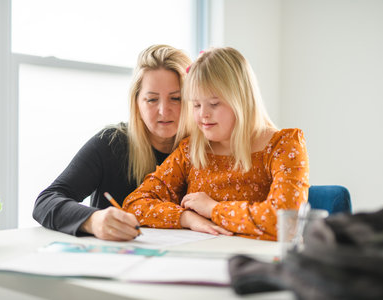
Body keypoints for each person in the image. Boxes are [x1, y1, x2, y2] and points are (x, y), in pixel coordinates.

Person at [123, 47, 310, 240]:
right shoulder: (190, 150)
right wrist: (186, 218)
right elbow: (134, 203)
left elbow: (287, 222)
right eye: (196, 105)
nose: (203, 114)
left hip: (257, 260)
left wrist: (213, 209)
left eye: (214, 104)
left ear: (242, 100)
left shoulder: (284, 145)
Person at [33, 45, 192, 241]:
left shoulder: (207, 151)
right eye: (151, 100)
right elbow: (46, 201)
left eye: (176, 98)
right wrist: (92, 220)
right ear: (136, 103)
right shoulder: (111, 143)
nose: (164, 110)